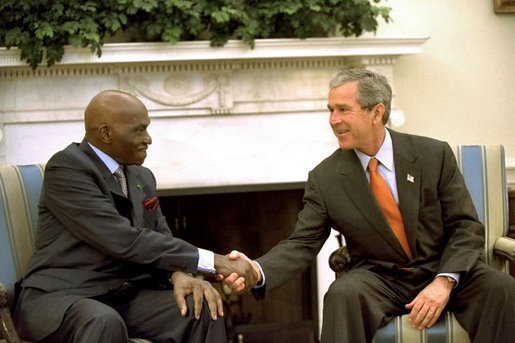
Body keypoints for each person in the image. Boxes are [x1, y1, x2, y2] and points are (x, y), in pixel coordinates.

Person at [224, 69, 515, 342]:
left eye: (343, 110)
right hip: (381, 279)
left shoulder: (432, 154)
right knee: (342, 294)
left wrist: (444, 281)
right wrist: (257, 270)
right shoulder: (325, 178)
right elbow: (302, 243)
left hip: (444, 268)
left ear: (377, 112)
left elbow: (465, 226)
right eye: (331, 110)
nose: (333, 120)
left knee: (502, 289)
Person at [13, 90, 256, 343]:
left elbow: (158, 235)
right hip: (62, 298)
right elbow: (123, 240)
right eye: (139, 131)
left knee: (201, 306)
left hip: (123, 295)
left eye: (147, 129)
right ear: (106, 133)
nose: (148, 139)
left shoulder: (142, 176)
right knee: (103, 320)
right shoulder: (67, 168)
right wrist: (213, 261)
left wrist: (178, 275)